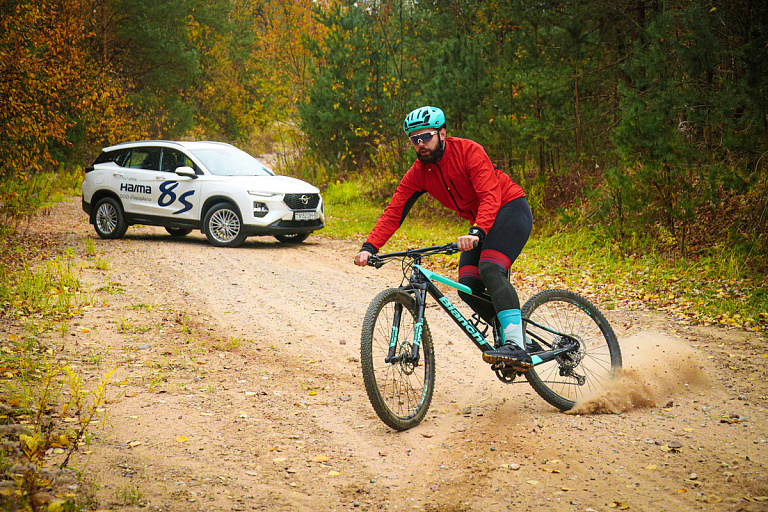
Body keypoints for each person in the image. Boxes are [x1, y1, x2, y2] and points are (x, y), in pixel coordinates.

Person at [354, 106, 535, 371]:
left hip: (509, 209)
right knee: (468, 283)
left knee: (490, 268)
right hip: (479, 224)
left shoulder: (469, 151)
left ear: (442, 133)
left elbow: (490, 195)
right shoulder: (418, 173)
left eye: (425, 137)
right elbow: (395, 210)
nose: (420, 144)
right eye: (414, 140)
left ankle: (516, 346)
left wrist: (477, 231)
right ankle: (516, 336)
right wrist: (370, 247)